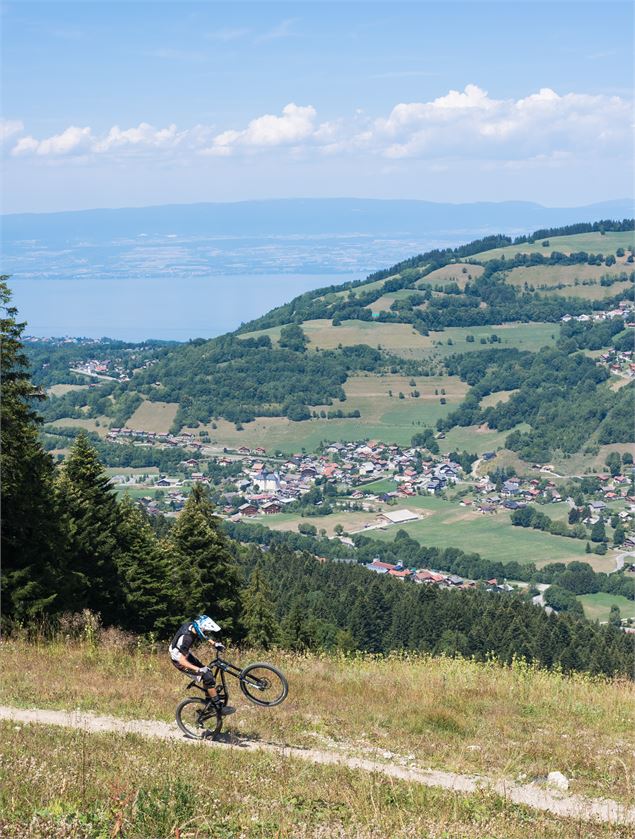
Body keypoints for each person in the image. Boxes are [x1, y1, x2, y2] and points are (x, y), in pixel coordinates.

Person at [169, 614, 235, 715]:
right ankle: (218, 707)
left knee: (208, 674)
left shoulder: (192, 626)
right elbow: (182, 661)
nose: (206, 632)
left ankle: (209, 701)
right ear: (200, 628)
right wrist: (198, 669)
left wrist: (214, 644)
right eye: (205, 630)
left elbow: (203, 635)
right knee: (207, 675)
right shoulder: (187, 638)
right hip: (178, 660)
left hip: (183, 653)